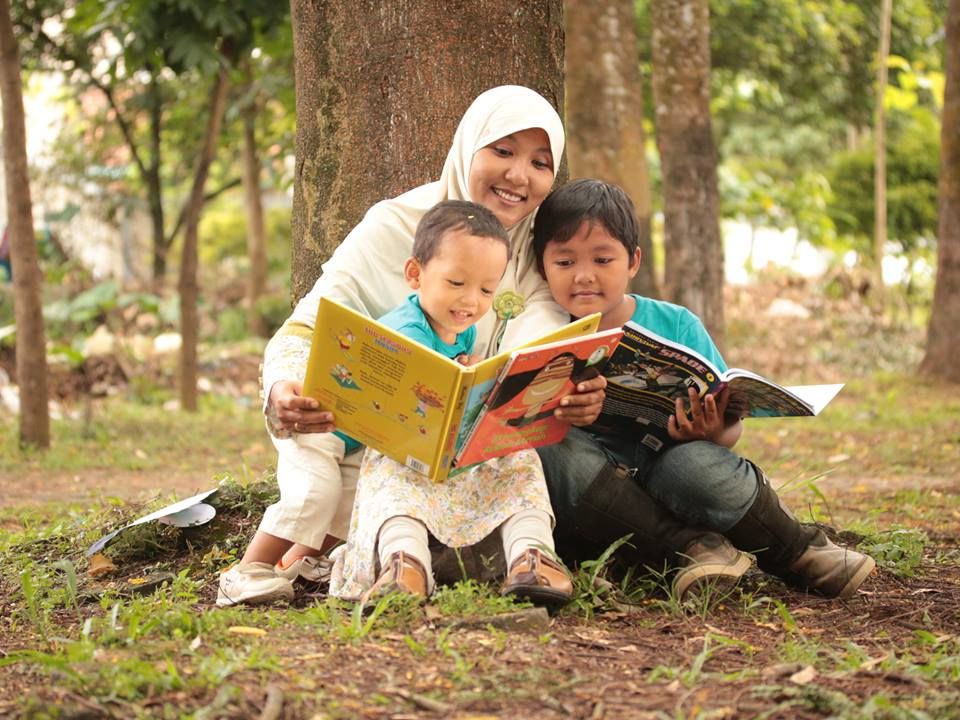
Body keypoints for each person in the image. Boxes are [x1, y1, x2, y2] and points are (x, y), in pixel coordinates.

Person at [217, 85, 605, 607]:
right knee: (342, 485)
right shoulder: (395, 225)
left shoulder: (539, 251)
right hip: (358, 435)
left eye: (540, 162)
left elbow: (537, 352)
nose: (519, 175)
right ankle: (289, 562)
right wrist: (285, 387)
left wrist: (566, 389)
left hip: (461, 454)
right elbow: (306, 327)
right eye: (503, 151)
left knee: (510, 464)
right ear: (467, 148)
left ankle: (525, 555)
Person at [531, 179, 876, 600]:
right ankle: (692, 550)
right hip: (600, 492)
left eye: (603, 259)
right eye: (564, 262)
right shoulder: (538, 333)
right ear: (542, 267)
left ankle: (798, 550)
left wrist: (712, 430)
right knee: (549, 448)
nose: (584, 276)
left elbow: (731, 426)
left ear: (633, 261)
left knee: (693, 464)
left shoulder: (677, 324)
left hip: (672, 470)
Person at [329, 200, 571, 605]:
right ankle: (404, 564)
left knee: (518, 453)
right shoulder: (401, 334)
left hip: (456, 456)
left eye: (486, 290)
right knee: (391, 472)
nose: (471, 301)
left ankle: (532, 554)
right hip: (405, 453)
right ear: (415, 274)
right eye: (456, 283)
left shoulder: (462, 329)